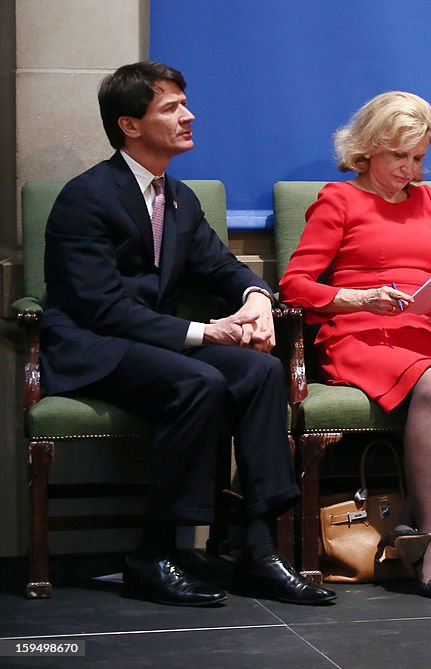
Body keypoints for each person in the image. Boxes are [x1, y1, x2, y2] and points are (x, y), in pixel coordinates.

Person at [42, 61, 335, 606]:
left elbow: (223, 268)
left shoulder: (179, 198)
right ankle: (154, 553)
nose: (189, 115)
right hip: (94, 346)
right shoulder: (86, 197)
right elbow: (100, 308)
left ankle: (256, 547)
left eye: (184, 103)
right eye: (172, 107)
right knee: (196, 381)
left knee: (260, 370)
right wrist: (208, 330)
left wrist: (255, 298)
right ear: (131, 125)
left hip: (157, 342)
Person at [278, 91, 431, 602]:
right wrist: (358, 297)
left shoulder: (428, 202)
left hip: (418, 331)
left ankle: (406, 520)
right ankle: (430, 544)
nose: (410, 168)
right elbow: (295, 286)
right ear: (368, 149)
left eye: (419, 157)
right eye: (398, 156)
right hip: (356, 331)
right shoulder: (338, 200)